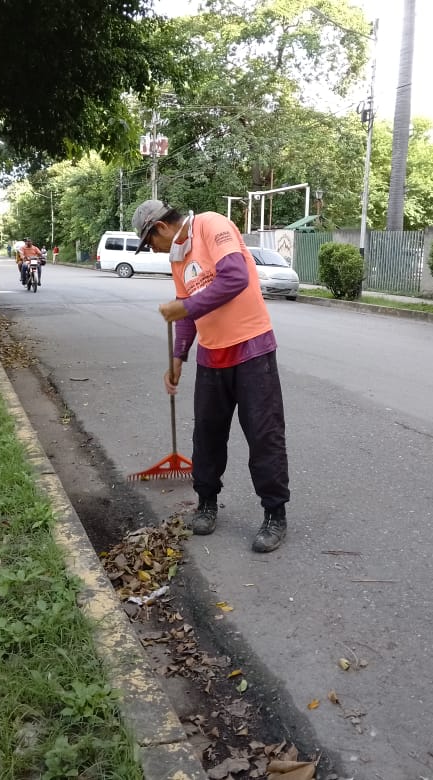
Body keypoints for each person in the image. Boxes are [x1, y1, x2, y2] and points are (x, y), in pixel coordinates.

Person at [132, 199, 290, 553]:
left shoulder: (210, 224)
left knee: (264, 434)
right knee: (207, 436)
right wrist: (178, 358)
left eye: (150, 244)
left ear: (160, 228)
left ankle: (275, 513)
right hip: (212, 355)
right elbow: (186, 315)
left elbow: (236, 276)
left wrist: (185, 306)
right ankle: (206, 504)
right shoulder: (177, 258)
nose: (155, 251)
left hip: (253, 350)